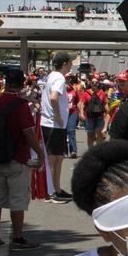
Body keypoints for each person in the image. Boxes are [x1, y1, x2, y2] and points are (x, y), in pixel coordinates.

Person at [0, 68, 47, 251]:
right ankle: (17, 237)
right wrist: (41, 152)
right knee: (18, 199)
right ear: (22, 84)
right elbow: (28, 133)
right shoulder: (20, 105)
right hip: (18, 156)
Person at [40, 53, 75, 201]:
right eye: (70, 62)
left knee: (57, 157)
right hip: (54, 124)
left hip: (50, 124)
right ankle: (52, 191)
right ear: (65, 63)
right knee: (54, 158)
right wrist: (58, 117)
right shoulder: (59, 78)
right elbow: (54, 97)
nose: (72, 65)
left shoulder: (51, 76)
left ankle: (56, 188)